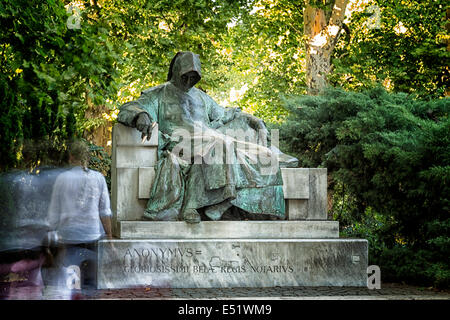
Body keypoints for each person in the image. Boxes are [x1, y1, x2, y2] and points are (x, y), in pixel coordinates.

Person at [118, 51, 298, 223]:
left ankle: (222, 203)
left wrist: (254, 120)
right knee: (219, 143)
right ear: (176, 72)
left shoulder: (202, 97)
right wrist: (140, 115)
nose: (189, 81)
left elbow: (227, 114)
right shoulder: (158, 93)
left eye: (193, 77)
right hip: (180, 142)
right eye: (185, 76)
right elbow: (129, 108)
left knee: (262, 155)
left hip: (210, 139)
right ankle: (206, 204)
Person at [47, 140, 112, 293]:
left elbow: (54, 213)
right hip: (92, 236)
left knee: (72, 283)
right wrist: (109, 237)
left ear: (71, 157)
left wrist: (52, 235)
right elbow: (104, 211)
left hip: (69, 237)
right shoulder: (98, 178)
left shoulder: (62, 178)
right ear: (87, 158)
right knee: (91, 282)